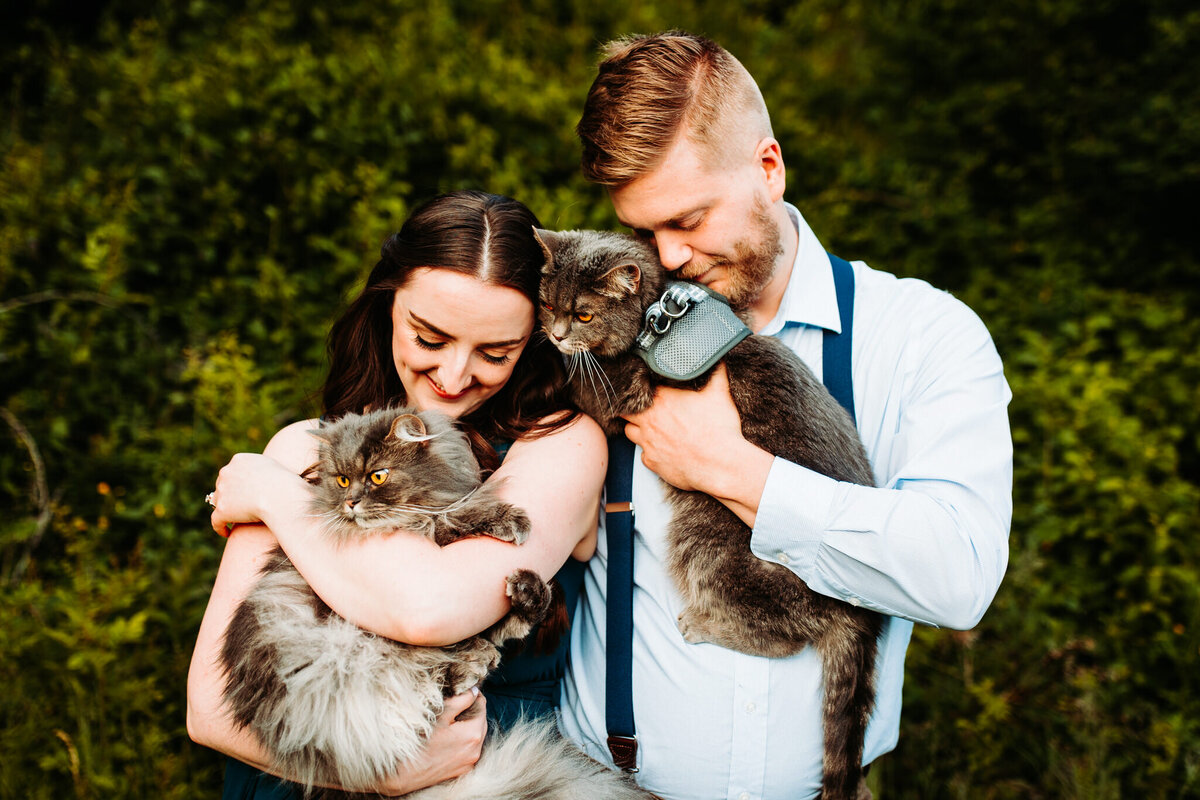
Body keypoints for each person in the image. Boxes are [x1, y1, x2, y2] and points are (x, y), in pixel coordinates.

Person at [556, 31, 1014, 799]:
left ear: (768, 168)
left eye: (691, 218)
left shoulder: (923, 335)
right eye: (646, 230)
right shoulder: (603, 329)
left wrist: (731, 470)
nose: (667, 258)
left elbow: (958, 574)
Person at [186, 190, 607, 797]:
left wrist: (279, 498)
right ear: (387, 307)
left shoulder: (560, 446)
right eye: (430, 338)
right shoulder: (309, 444)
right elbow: (208, 709)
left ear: (534, 342)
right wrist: (378, 772)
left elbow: (428, 609)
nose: (456, 376)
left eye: (496, 353)